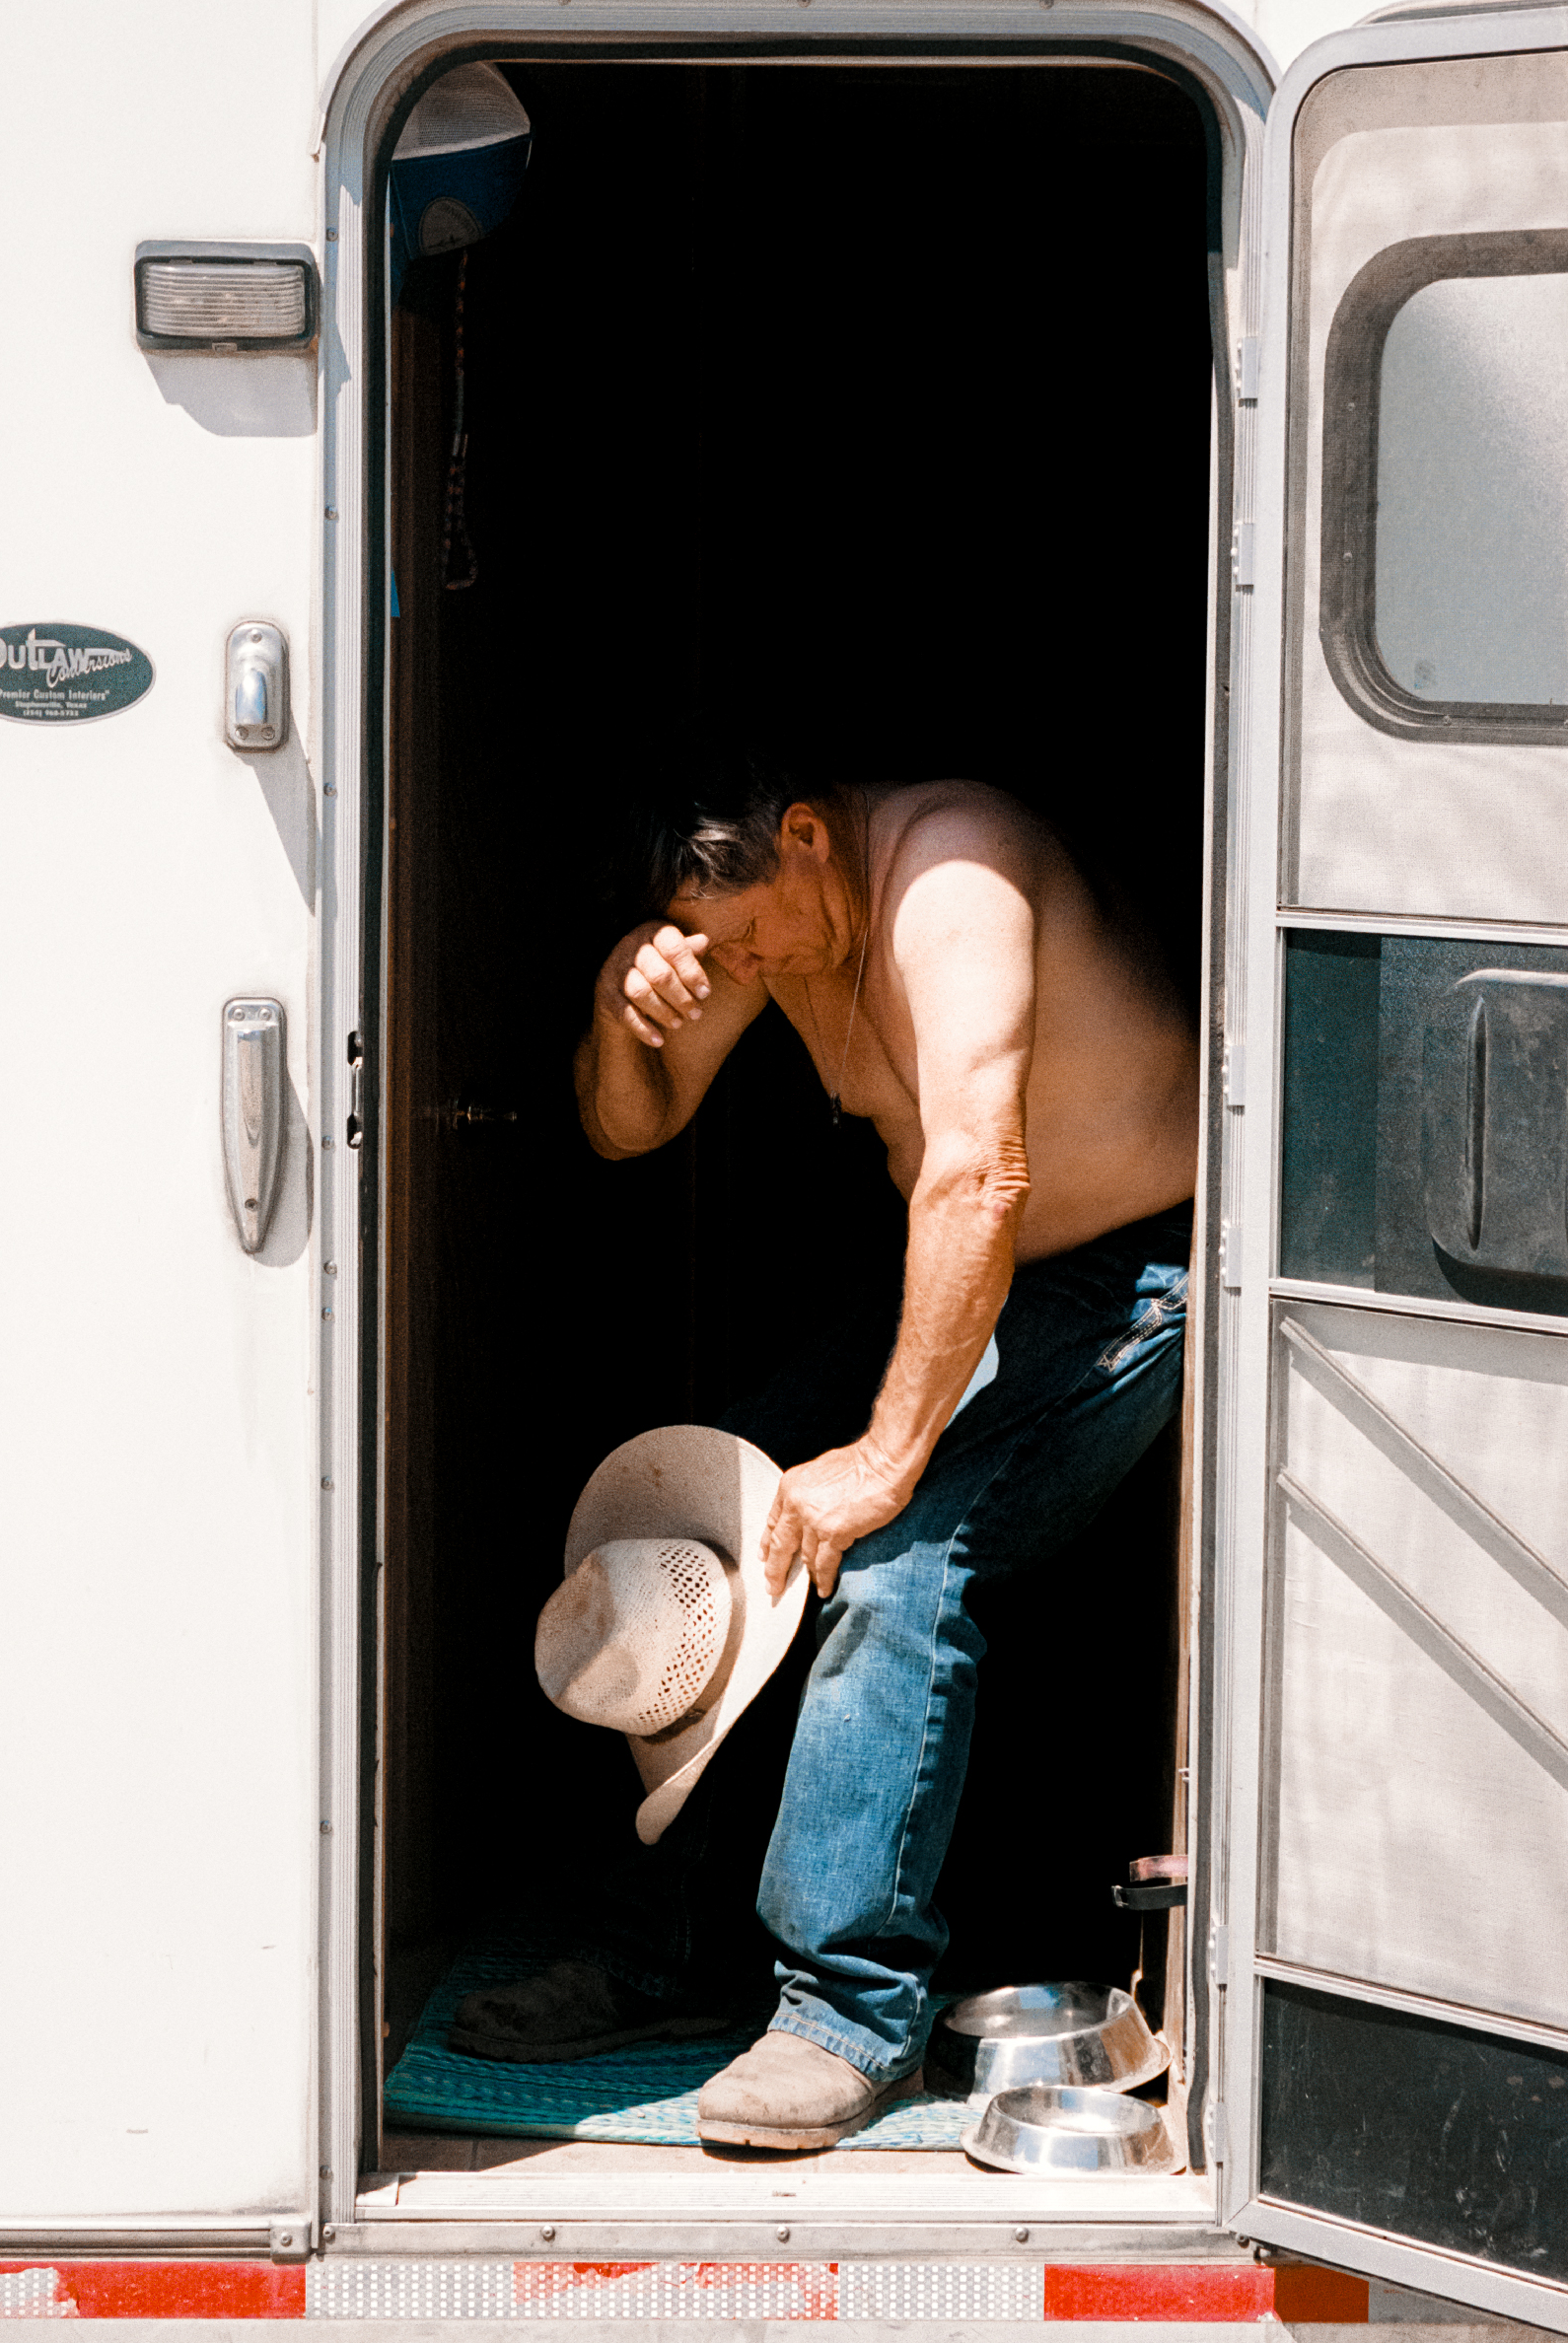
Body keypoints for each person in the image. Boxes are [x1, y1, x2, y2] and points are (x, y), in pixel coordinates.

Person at [452, 768, 1198, 2149]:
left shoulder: (954, 880)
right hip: (962, 1268)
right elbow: (632, 1125)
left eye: (743, 941)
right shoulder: (767, 917)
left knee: (901, 1558)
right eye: (711, 947)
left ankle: (847, 2014)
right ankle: (659, 1955)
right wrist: (629, 1013)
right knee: (708, 1525)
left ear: (805, 836)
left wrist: (887, 1456)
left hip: (1121, 1274)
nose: (738, 969)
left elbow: (982, 1169)